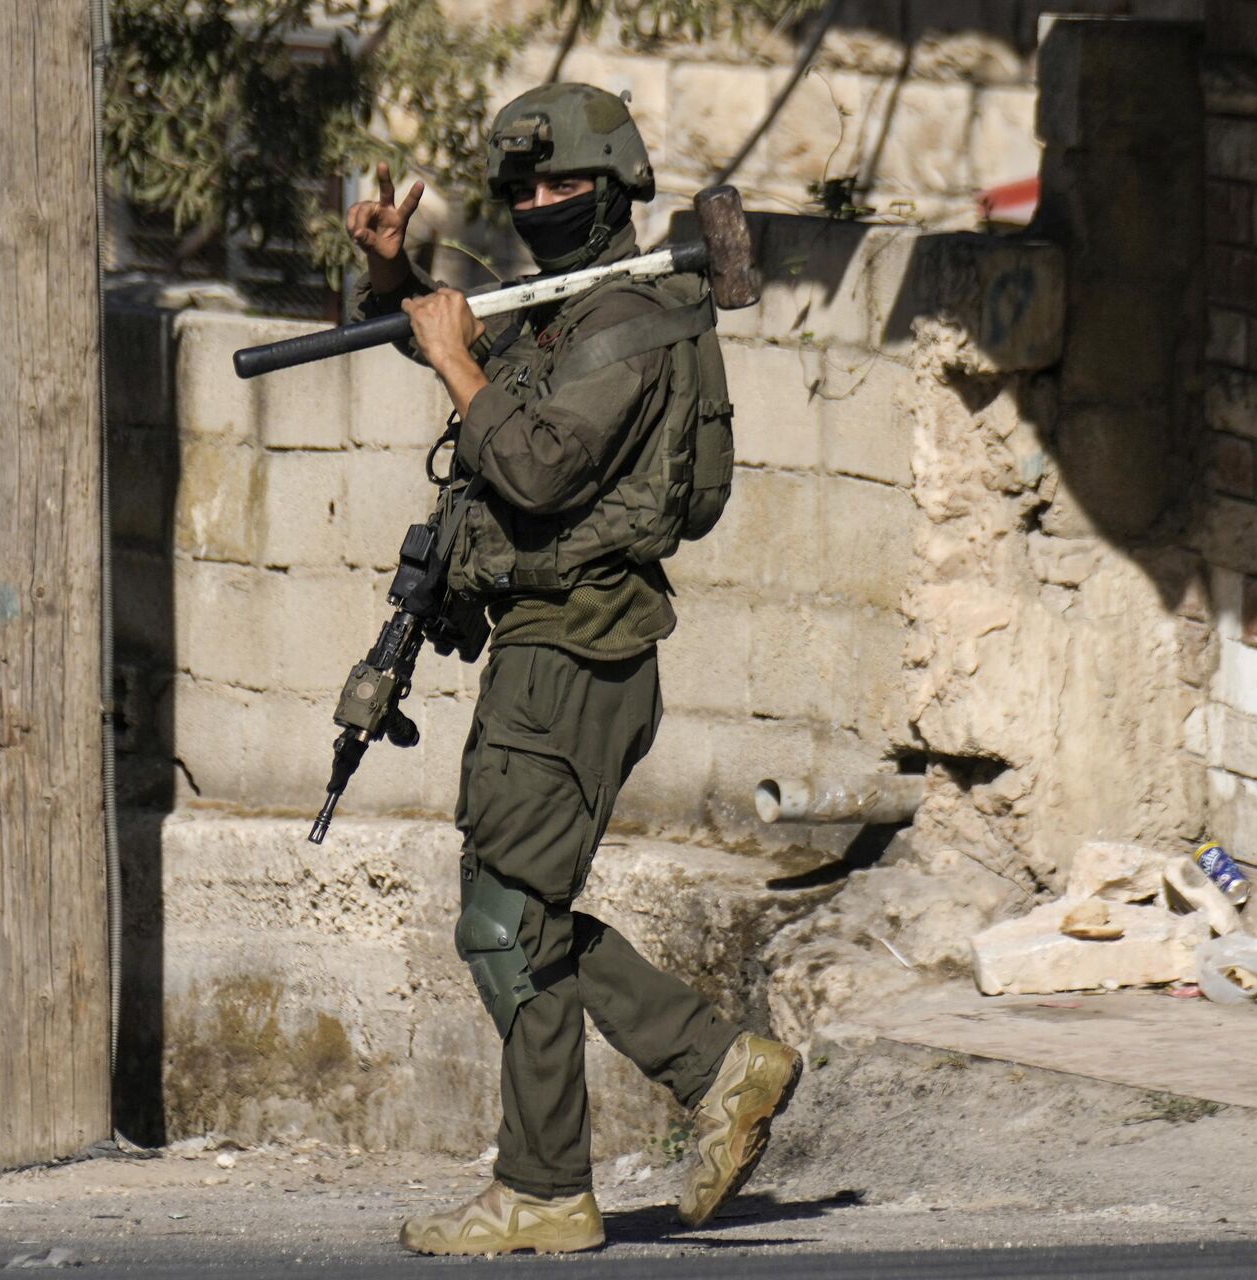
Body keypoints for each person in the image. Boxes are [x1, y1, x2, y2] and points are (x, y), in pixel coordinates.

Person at [345, 83, 801, 1257]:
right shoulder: (569, 316)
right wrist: (399, 286)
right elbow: (477, 359)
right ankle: (551, 1183)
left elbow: (538, 468)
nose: (542, 204)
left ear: (618, 185)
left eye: (563, 184)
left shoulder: (627, 325)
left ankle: (695, 1078)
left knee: (506, 923)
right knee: (510, 917)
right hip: (551, 645)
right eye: (524, 190)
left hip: (578, 648)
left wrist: (457, 365)